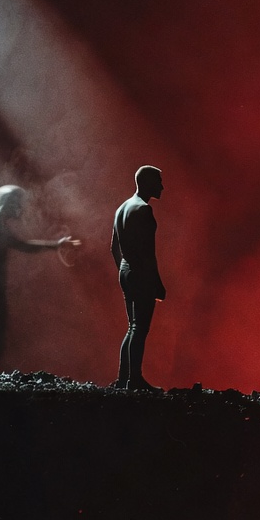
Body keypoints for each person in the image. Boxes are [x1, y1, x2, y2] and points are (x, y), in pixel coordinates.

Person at [0, 184, 80, 371]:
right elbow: (23, 246)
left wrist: (56, 245)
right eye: (18, 203)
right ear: (9, 204)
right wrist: (55, 245)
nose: (21, 207)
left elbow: (20, 245)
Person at [111, 166, 166, 390]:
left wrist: (123, 271)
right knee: (139, 328)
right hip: (140, 272)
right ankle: (134, 379)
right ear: (147, 183)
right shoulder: (143, 210)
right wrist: (157, 283)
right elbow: (148, 253)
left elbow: (114, 247)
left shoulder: (122, 208)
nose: (162, 187)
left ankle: (123, 378)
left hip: (127, 270)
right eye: (158, 181)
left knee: (132, 327)